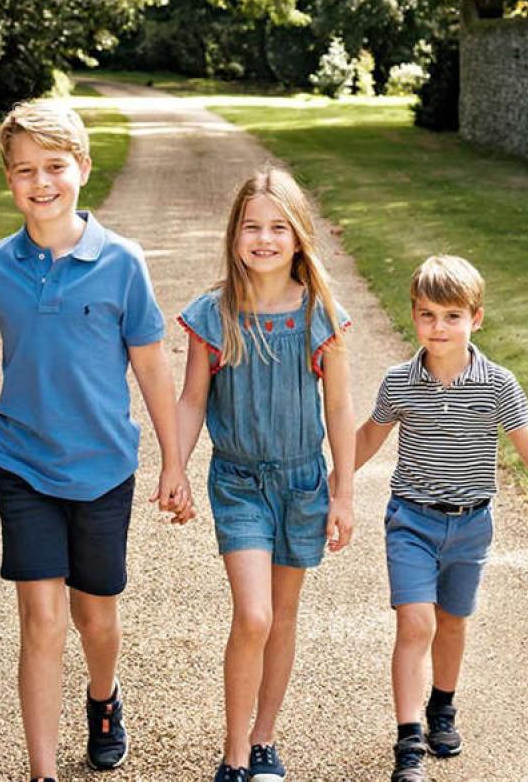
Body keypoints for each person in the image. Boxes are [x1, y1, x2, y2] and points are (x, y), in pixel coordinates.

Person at [0, 99, 192, 782]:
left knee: (95, 619)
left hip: (103, 467)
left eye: (55, 167)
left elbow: (153, 366)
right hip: (22, 465)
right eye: (25, 170)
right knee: (41, 618)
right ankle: (41, 770)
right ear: (9, 179)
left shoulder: (122, 262)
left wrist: (173, 463)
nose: (42, 183)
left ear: (82, 170)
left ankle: (103, 699)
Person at [354, 255, 528, 782]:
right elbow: (369, 437)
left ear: (476, 318)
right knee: (415, 622)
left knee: (452, 623)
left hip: (470, 526)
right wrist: (333, 485)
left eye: (452, 316)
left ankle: (443, 705)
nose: (439, 328)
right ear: (413, 316)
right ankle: (408, 743)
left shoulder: (497, 384)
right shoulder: (399, 382)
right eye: (427, 315)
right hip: (411, 522)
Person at [174, 167, 356, 782]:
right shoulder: (214, 314)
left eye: (279, 227)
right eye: (252, 226)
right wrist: (175, 464)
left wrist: (343, 491)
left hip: (304, 482)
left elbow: (339, 408)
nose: (265, 239)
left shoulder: (319, 315)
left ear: (299, 237)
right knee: (253, 616)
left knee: (282, 617)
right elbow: (193, 400)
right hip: (239, 483)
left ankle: (264, 742)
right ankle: (232, 754)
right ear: (234, 235)